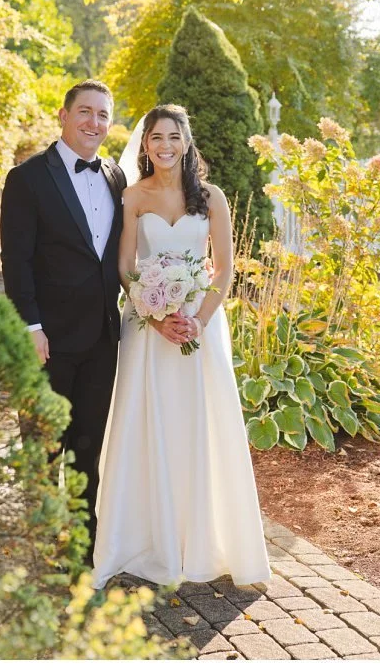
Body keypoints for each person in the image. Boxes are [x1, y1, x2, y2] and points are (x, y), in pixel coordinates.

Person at [91, 104, 270, 588]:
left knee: (198, 425)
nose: (164, 146)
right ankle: (143, 538)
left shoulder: (211, 198)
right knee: (145, 423)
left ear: (186, 143)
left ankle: (200, 540)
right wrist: (154, 312)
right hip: (149, 330)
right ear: (145, 145)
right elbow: (127, 266)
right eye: (155, 138)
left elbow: (224, 269)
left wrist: (196, 319)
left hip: (199, 328)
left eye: (173, 137)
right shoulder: (132, 196)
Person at [0, 79, 126, 546]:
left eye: (103, 115)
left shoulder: (116, 177)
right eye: (85, 112)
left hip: (101, 339)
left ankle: (81, 549)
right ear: (63, 114)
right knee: (42, 449)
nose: (94, 122)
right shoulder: (27, 178)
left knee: (87, 449)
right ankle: (37, 548)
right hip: (46, 340)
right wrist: (30, 326)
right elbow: (16, 261)